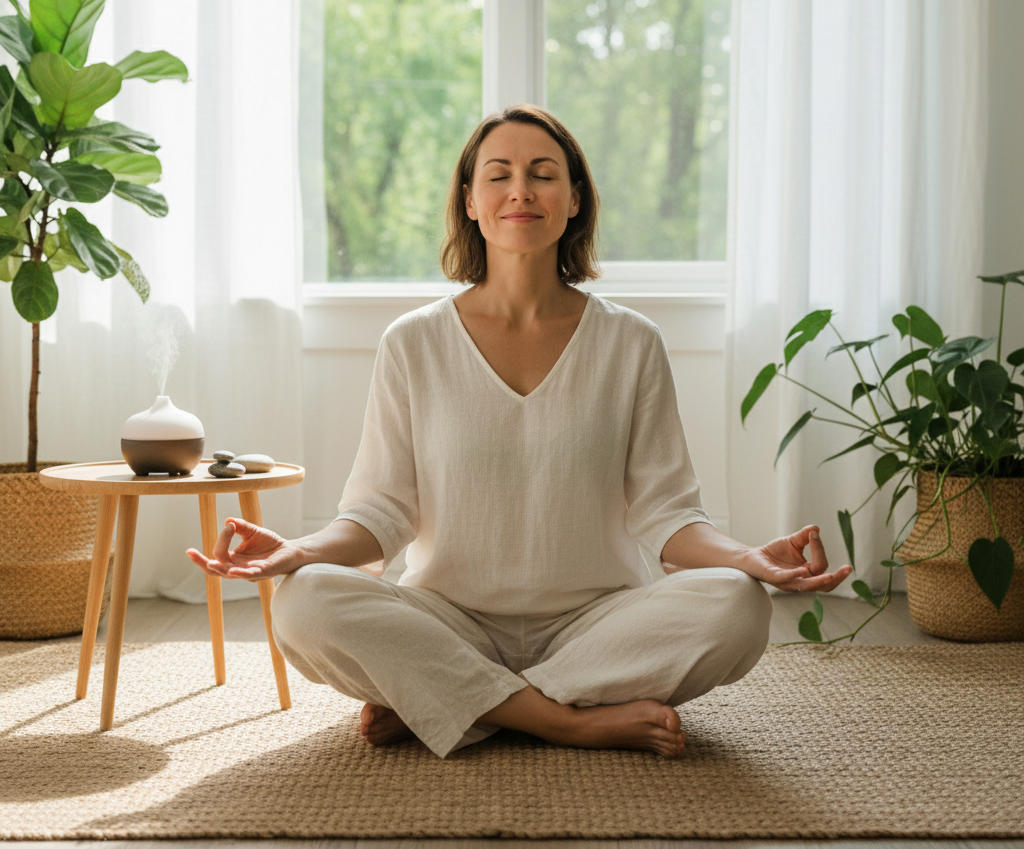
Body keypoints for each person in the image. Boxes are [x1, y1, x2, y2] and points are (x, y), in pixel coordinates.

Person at [186, 104, 852, 760]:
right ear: (470, 201)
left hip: (599, 624)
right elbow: (380, 513)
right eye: (499, 174)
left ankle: (451, 702)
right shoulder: (413, 342)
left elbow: (667, 514)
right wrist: (299, 550)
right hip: (447, 621)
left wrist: (747, 558)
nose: (521, 191)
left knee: (738, 604)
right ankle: (566, 720)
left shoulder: (631, 342)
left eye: (543, 174)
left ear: (574, 199)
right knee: (303, 601)